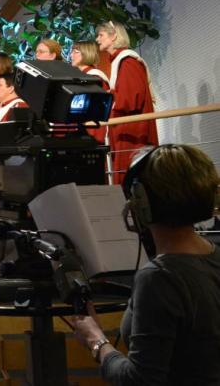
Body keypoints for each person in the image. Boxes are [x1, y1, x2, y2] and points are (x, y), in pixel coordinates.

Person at [70, 144, 220, 385]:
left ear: (140, 202)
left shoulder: (159, 278)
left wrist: (96, 340)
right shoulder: (213, 255)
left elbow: (139, 380)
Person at [96, 21, 159, 185]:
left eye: (101, 35)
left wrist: (107, 97)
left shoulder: (128, 61)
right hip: (125, 129)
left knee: (132, 179)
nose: (97, 39)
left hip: (132, 132)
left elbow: (130, 99)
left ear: (114, 35)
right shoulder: (119, 61)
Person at [70, 40, 111, 144]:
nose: (71, 55)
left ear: (86, 53)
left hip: (94, 132)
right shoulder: (83, 76)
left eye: (75, 51)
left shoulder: (94, 77)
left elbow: (96, 110)